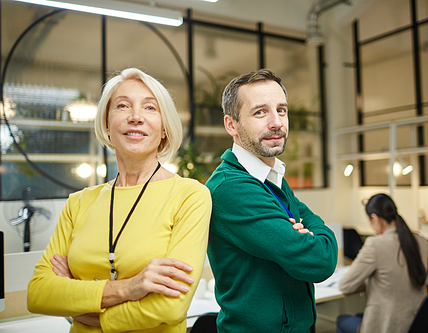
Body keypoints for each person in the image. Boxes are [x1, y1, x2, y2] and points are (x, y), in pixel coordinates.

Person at [27, 68, 212, 333]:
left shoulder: (190, 196)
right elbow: (39, 293)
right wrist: (130, 287)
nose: (135, 117)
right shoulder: (78, 203)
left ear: (164, 129)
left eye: (150, 108)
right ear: (106, 124)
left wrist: (86, 311)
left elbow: (171, 307)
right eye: (123, 106)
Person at [205, 68, 338, 333]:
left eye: (281, 110)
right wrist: (313, 234)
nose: (276, 122)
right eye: (260, 112)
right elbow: (319, 260)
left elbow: (303, 217)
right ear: (231, 125)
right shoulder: (232, 188)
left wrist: (307, 229)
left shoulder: (271, 175)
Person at [337, 193, 428, 333]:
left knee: (342, 320)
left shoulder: (375, 244)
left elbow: (345, 286)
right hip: (416, 323)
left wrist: (368, 281)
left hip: (386, 326)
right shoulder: (421, 242)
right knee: (358, 317)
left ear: (374, 218)